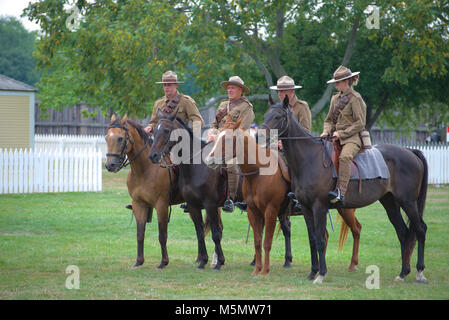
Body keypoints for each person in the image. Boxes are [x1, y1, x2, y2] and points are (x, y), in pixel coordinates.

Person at [320, 66, 367, 206]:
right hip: (334, 137)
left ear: (346, 81)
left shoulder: (355, 98)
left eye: (338, 82)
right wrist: (326, 131)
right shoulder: (335, 99)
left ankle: (340, 192)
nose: (336, 84)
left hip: (352, 138)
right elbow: (329, 120)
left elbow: (360, 123)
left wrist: (341, 133)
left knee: (345, 157)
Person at [208, 76, 255, 212]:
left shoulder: (246, 107)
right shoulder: (223, 105)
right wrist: (213, 132)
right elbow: (214, 124)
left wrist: (223, 136)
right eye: (228, 87)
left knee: (231, 164)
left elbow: (243, 129)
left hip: (236, 145)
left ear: (240, 90)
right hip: (218, 142)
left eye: (233, 87)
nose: (230, 90)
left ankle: (231, 199)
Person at [270, 75, 312, 213]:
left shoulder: (301, 106)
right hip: (278, 147)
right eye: (279, 91)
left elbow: (306, 130)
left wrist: (285, 142)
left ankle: (297, 197)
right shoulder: (277, 108)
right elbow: (272, 129)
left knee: (292, 164)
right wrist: (275, 142)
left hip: (297, 149)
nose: (280, 94)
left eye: (283, 91)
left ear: (292, 91)